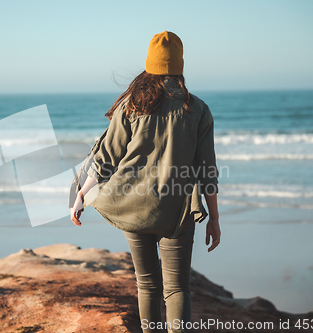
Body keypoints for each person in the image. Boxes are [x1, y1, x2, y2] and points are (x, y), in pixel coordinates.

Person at [69, 31, 220, 333]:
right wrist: (214, 219)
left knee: (147, 283)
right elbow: (208, 171)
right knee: (177, 288)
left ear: (149, 66)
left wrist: (82, 194)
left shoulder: (132, 105)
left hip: (132, 207)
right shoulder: (198, 109)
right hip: (177, 211)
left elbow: (106, 158)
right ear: (179, 66)